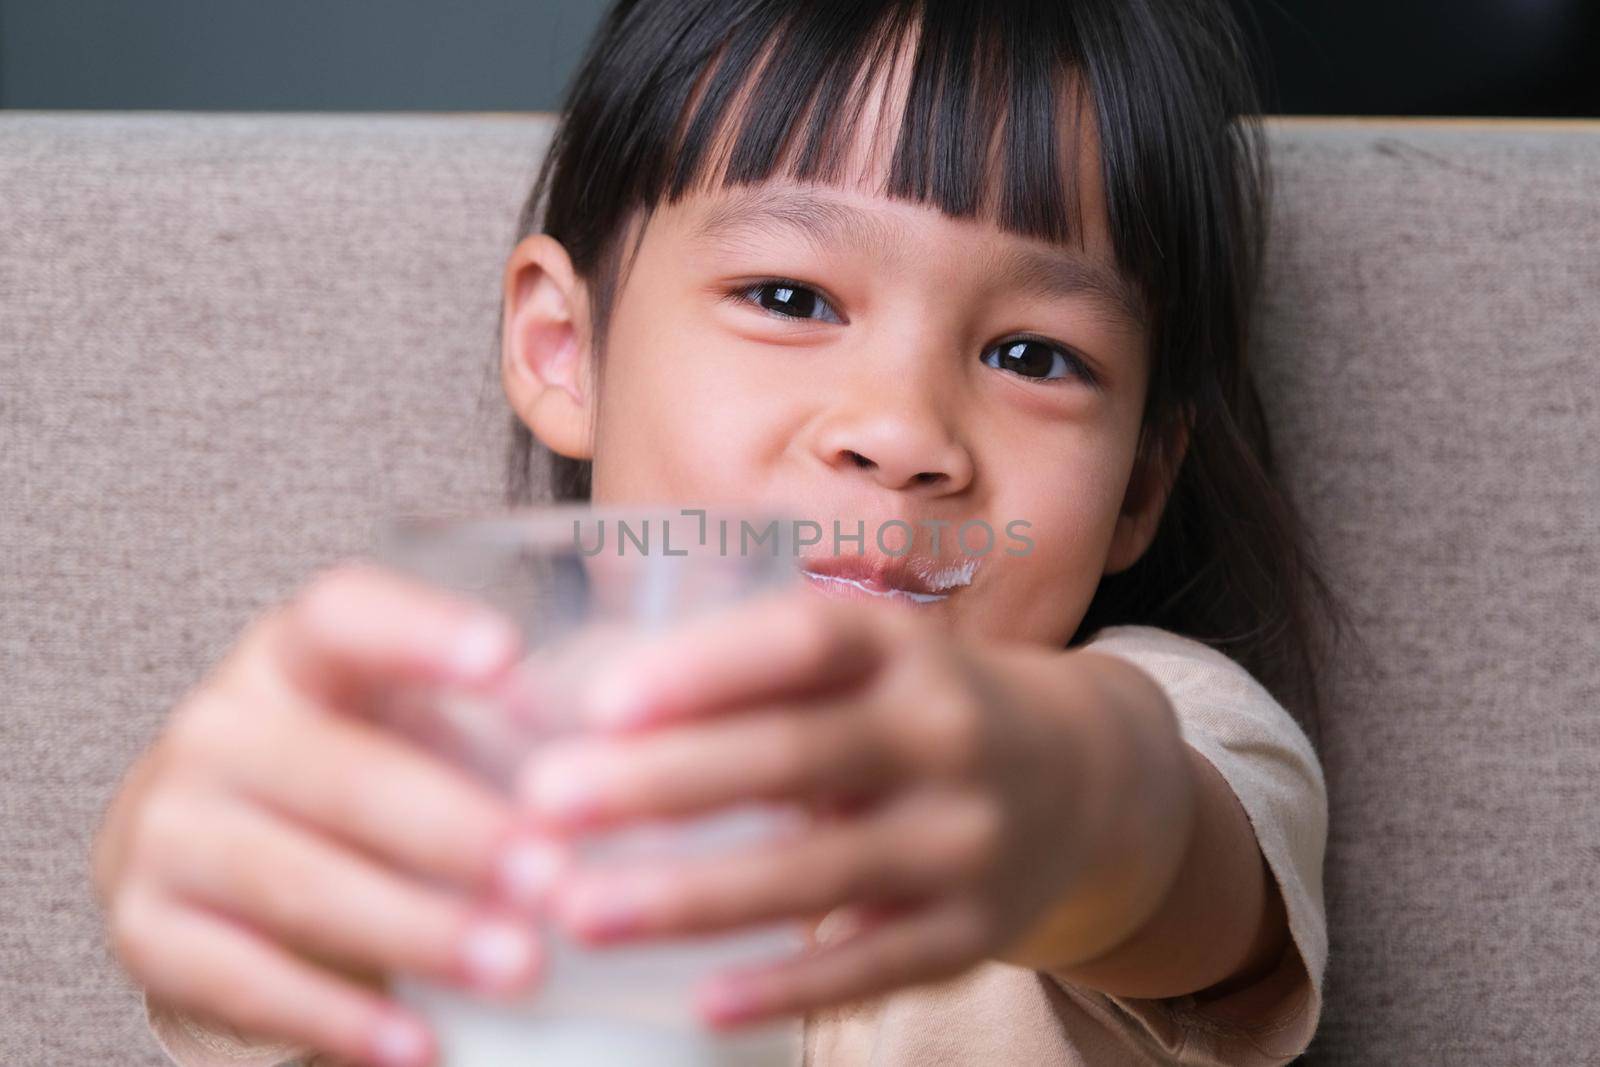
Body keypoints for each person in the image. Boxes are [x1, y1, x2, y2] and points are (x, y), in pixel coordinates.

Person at [91, 1, 1349, 1064]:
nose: (902, 429)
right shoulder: (453, 758)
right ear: (564, 349)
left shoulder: (1170, 718)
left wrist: (1054, 793)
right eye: (790, 296)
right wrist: (228, 835)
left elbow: (1148, 831)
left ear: (1137, 485)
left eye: (1035, 354)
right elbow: (258, 918)